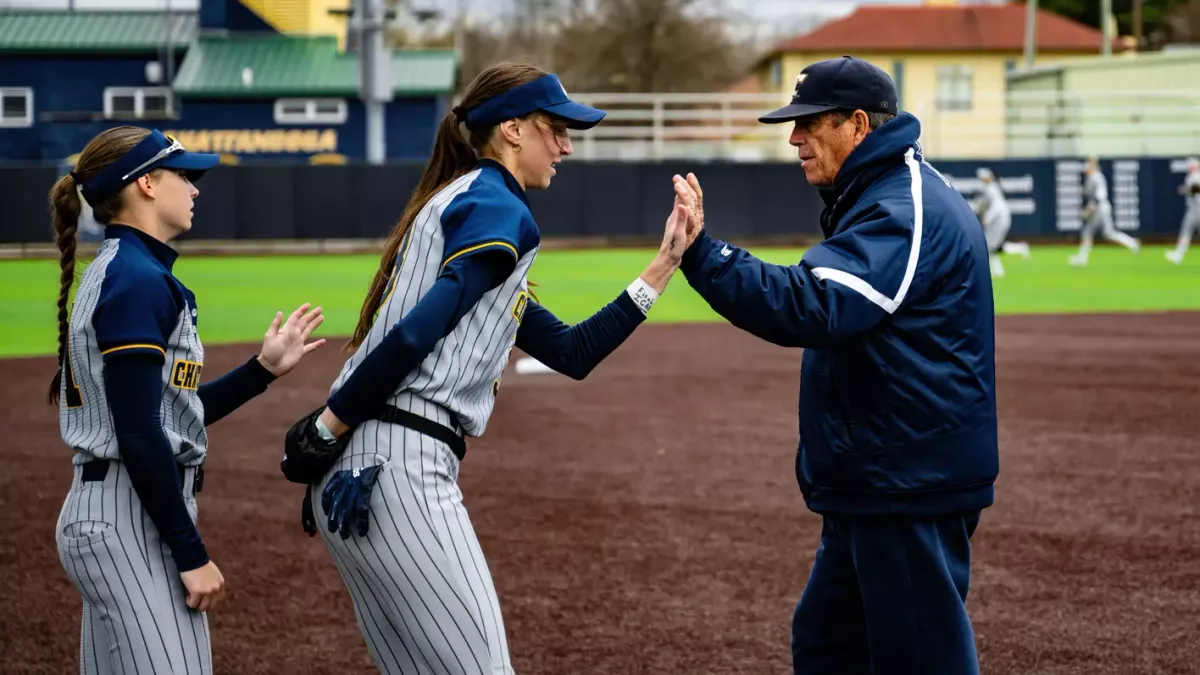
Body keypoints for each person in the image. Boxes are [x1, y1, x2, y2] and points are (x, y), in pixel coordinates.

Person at [281, 63, 691, 675]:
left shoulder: (466, 202)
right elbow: (418, 331)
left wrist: (664, 266)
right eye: (555, 128)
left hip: (367, 462)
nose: (567, 144)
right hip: (400, 467)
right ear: (512, 130)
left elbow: (571, 352)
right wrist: (326, 427)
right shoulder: (498, 206)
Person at [670, 55, 999, 675]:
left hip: (908, 482)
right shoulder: (881, 195)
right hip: (876, 477)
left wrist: (703, 253)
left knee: (920, 659)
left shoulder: (902, 205)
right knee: (829, 645)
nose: (794, 138)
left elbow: (812, 305)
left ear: (856, 124)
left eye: (809, 123)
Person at [49, 127, 326, 674]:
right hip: (126, 515)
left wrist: (262, 369)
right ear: (146, 183)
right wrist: (190, 552)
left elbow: (167, 415)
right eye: (184, 175)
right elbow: (139, 433)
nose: (195, 189)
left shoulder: (130, 270)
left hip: (117, 507)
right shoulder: (134, 278)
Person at [1069, 156, 1140, 266]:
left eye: (1089, 166)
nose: (1086, 169)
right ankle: (1132, 243)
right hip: (1100, 207)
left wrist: (1089, 210)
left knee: (1089, 231)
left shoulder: (1095, 177)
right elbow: (1088, 192)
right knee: (1106, 233)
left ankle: (1082, 258)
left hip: (1100, 208)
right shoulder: (1093, 176)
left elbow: (1098, 197)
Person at [972, 167, 1030, 278]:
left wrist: (987, 218)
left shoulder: (991, 189)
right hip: (998, 219)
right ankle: (999, 269)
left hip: (999, 219)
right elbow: (980, 204)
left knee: (990, 246)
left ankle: (996, 270)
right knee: (993, 246)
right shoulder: (988, 188)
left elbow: (996, 207)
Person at [1165, 157, 1200, 264]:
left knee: (1186, 231)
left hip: (1196, 208)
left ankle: (1178, 255)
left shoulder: (1195, 176)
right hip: (1194, 207)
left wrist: (1185, 190)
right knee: (1186, 232)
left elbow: (1196, 188)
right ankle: (1178, 254)